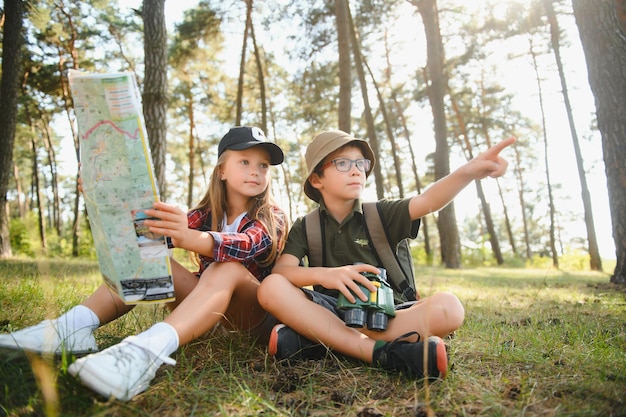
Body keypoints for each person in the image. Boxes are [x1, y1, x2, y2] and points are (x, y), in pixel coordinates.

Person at [0, 126, 287, 401]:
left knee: (225, 267)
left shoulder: (271, 214)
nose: (255, 171)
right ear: (222, 170)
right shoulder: (204, 213)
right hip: (204, 313)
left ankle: (146, 352)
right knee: (148, 255)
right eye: (245, 161)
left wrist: (187, 237)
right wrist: (103, 197)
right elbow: (142, 237)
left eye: (263, 166)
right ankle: (72, 327)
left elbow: (246, 246)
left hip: (251, 322)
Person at [257, 129, 514, 379]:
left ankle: (317, 342)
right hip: (331, 311)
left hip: (389, 314)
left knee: (450, 308)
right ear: (317, 179)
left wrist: (468, 171)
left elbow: (428, 201)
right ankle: (387, 354)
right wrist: (329, 276)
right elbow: (283, 271)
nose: (357, 170)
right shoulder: (307, 225)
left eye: (361, 162)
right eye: (343, 163)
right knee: (271, 287)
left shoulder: (382, 213)